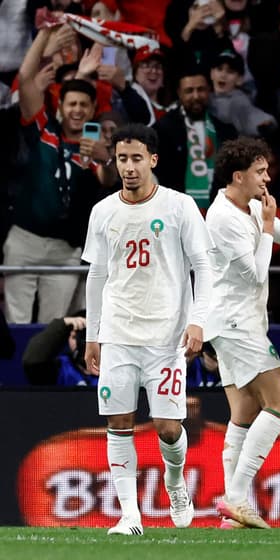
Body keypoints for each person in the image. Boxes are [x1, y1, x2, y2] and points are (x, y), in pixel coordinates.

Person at [83, 124, 214, 536]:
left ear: (153, 160)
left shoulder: (178, 207)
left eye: (137, 158)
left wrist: (198, 320)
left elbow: (204, 267)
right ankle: (130, 516)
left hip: (166, 338)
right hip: (119, 335)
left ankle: (175, 483)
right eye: (122, 159)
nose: (129, 167)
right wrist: (93, 333)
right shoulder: (103, 211)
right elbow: (98, 275)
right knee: (118, 422)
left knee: (168, 428)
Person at [204, 137, 280, 529]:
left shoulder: (254, 207)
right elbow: (257, 272)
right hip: (235, 325)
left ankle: (232, 515)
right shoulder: (222, 217)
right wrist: (269, 228)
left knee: (243, 413)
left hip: (239, 324)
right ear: (238, 176)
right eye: (260, 171)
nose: (267, 177)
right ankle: (237, 497)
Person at [5, 26, 113, 324]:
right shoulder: (44, 131)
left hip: (64, 251)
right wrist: (43, 33)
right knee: (16, 324)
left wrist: (107, 159)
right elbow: (26, 79)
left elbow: (107, 180)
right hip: (24, 241)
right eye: (71, 104)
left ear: (93, 111)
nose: (77, 109)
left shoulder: (95, 150)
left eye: (84, 105)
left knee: (55, 329)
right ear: (61, 108)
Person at [153, 66, 237, 211]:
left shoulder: (226, 130)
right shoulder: (162, 129)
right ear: (179, 93)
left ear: (209, 90)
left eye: (201, 89)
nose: (196, 96)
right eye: (189, 91)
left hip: (218, 212)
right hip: (174, 211)